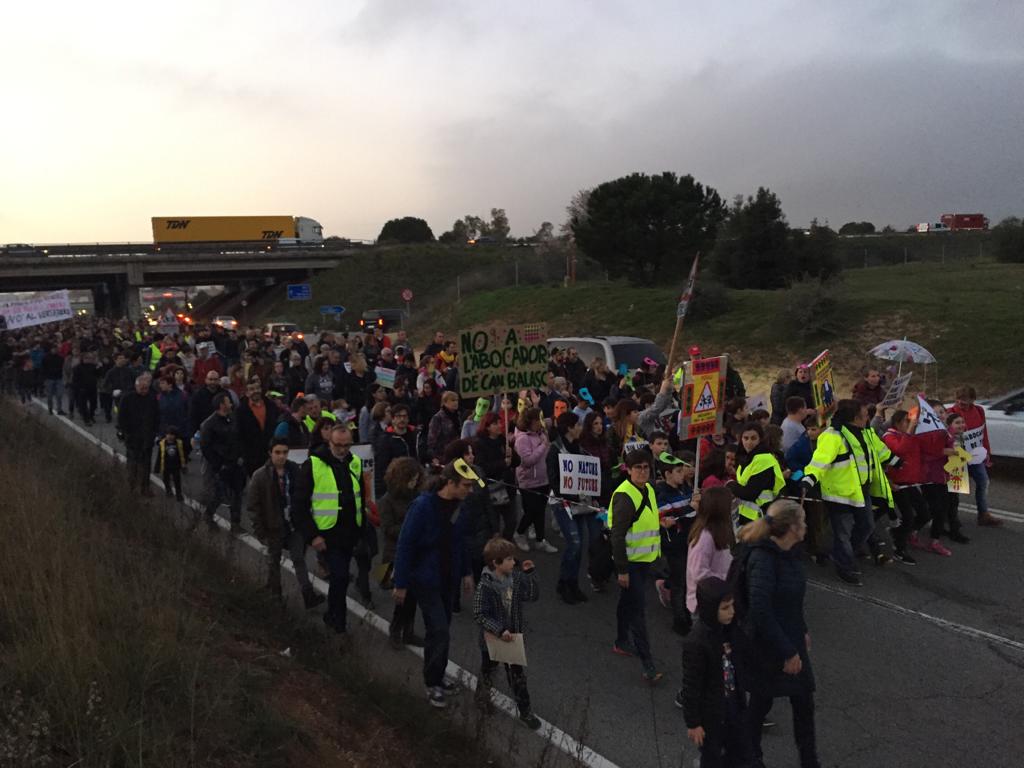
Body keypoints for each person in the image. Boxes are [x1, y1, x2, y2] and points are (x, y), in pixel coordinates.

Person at [736, 500, 821, 768]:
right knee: (760, 703)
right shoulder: (762, 559)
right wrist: (786, 650)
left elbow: (792, 600)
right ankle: (751, 758)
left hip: (790, 636)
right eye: (803, 521)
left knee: (804, 704)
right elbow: (760, 609)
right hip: (768, 645)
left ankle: (809, 761)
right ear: (791, 528)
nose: (806, 526)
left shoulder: (792, 552)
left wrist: (803, 629)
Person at [392, 459, 480, 708]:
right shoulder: (422, 507)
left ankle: (438, 676)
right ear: (450, 483)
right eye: (466, 485)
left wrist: (466, 572)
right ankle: (432, 682)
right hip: (426, 578)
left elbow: (460, 541)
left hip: (448, 576)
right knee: (439, 629)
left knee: (442, 630)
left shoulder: (460, 507)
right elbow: (406, 544)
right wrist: (401, 582)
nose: (469, 490)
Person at [802, 399, 899, 586]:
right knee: (843, 533)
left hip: (860, 490)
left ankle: (842, 553)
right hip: (839, 495)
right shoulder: (833, 436)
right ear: (854, 418)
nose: (867, 417)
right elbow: (821, 459)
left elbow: (877, 449)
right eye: (864, 415)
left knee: (867, 526)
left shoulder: (865, 432)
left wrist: (894, 460)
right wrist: (810, 478)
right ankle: (844, 565)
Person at [292, 424, 372, 636]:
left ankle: (333, 616)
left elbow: (360, 497)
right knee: (340, 576)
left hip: (350, 531)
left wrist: (363, 528)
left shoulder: (353, 462)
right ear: (330, 443)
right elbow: (298, 506)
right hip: (328, 532)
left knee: (342, 577)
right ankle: (338, 623)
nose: (343, 450)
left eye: (347, 445)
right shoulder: (314, 465)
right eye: (339, 445)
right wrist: (313, 536)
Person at [473, 537, 542, 730]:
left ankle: (525, 710)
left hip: (511, 637)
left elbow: (532, 596)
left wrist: (531, 575)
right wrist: (498, 629)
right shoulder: (486, 586)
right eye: (509, 559)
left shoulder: (517, 579)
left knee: (517, 675)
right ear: (496, 563)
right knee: (489, 669)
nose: (514, 563)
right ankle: (481, 697)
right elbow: (479, 614)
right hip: (493, 639)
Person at [681, 577, 751, 768]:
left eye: (732, 606)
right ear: (711, 608)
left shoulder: (729, 631)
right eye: (725, 608)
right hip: (713, 714)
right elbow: (691, 686)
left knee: (739, 753)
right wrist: (694, 723)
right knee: (712, 758)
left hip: (733, 704)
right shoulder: (697, 642)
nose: (732, 611)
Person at [246, 438, 324, 609]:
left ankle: (308, 595)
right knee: (273, 562)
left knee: (298, 559)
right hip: (273, 527)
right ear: (270, 453)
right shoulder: (261, 475)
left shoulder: (295, 470)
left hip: (294, 526)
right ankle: (276, 596)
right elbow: (253, 506)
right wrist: (260, 530)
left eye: (285, 452)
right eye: (277, 452)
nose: (281, 456)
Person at [609, 450, 663, 683]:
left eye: (646, 467)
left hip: (644, 561)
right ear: (628, 470)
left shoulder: (648, 489)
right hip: (630, 563)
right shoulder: (625, 496)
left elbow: (648, 519)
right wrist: (622, 570)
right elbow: (617, 536)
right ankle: (648, 663)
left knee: (627, 602)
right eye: (638, 467)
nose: (643, 471)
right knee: (638, 610)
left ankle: (621, 641)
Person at [547, 412, 598, 605]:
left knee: (579, 546)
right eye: (577, 425)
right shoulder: (555, 450)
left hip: (580, 505)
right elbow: (554, 482)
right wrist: (572, 494)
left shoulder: (580, 449)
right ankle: (564, 582)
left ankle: (573, 583)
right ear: (569, 427)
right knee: (574, 543)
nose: (580, 428)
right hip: (563, 504)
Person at [378, 457, 426, 648]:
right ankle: (395, 632)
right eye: (411, 479)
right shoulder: (386, 501)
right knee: (401, 598)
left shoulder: (417, 497)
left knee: (412, 598)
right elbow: (387, 529)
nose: (414, 483)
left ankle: (409, 631)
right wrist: (412, 528)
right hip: (394, 555)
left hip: (415, 553)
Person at [654, 451, 697, 635]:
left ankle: (668, 589)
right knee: (681, 583)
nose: (683, 473)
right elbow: (667, 517)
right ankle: (680, 620)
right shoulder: (661, 493)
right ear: (667, 474)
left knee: (686, 578)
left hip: (689, 540)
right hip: (674, 543)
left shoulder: (686, 488)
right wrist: (690, 507)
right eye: (678, 471)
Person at [882, 410, 930, 565]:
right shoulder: (889, 437)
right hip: (897, 483)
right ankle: (899, 549)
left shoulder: (912, 436)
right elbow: (899, 450)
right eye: (905, 422)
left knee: (924, 513)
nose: (909, 425)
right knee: (908, 515)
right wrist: (909, 432)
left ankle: (899, 532)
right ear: (897, 423)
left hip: (911, 482)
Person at [949, 386, 1001, 527]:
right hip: (957, 455)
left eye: (965, 400)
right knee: (956, 488)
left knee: (983, 481)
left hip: (975, 454)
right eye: (959, 400)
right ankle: (952, 517)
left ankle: (983, 514)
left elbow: (982, 433)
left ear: (972, 399)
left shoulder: (979, 411)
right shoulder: (951, 412)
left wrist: (987, 453)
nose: (961, 403)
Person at [199, 391, 245, 533]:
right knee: (220, 494)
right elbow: (206, 447)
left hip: (235, 463)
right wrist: (218, 463)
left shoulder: (232, 418)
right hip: (222, 465)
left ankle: (235, 523)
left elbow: (237, 438)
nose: (231, 403)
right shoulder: (210, 424)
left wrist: (240, 455)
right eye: (228, 401)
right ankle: (208, 514)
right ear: (221, 405)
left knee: (237, 493)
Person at [512, 407, 556, 554]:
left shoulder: (542, 434)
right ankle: (519, 533)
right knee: (531, 511)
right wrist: (543, 446)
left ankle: (540, 539)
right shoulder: (522, 438)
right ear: (530, 421)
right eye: (538, 420)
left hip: (544, 479)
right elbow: (527, 461)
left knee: (540, 511)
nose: (541, 423)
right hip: (529, 481)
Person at [474, 411, 521, 541]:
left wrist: (512, 455)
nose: (499, 425)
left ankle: (505, 545)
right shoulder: (479, 444)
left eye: (500, 422)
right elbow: (481, 468)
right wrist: (502, 463)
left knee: (512, 521)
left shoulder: (503, 441)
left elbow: (517, 463)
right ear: (487, 426)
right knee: (493, 526)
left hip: (507, 487)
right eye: (495, 423)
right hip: (491, 489)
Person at [728, 422, 786, 526]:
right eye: (745, 438)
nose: (749, 442)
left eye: (753, 438)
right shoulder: (745, 458)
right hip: (746, 515)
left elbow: (750, 493)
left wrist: (731, 485)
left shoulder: (764, 459)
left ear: (760, 439)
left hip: (761, 516)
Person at [118, 374, 160, 496]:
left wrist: (154, 432)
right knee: (133, 463)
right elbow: (122, 417)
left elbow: (156, 416)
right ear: (136, 386)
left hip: (147, 436)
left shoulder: (152, 399)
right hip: (132, 436)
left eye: (146, 388)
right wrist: (126, 432)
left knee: (146, 464)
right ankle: (131, 486)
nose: (144, 390)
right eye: (141, 388)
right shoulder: (127, 398)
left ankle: (145, 487)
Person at [236, 378, 281, 477]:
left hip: (271, 453)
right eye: (251, 389)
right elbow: (238, 434)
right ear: (247, 393)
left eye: (257, 388)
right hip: (252, 456)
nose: (255, 391)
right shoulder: (241, 411)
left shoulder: (271, 406)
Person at [374, 402, 417, 497]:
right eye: (398, 416)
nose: (402, 419)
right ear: (392, 419)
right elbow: (381, 466)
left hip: (415, 481)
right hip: (396, 485)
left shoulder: (415, 436)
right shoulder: (386, 440)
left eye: (404, 416)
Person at [426, 391, 461, 465]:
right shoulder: (438, 418)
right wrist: (433, 457)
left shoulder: (458, 416)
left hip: (457, 452)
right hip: (442, 455)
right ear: (445, 402)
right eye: (453, 400)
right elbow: (431, 440)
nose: (456, 402)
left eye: (457, 400)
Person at [155, 425, 185, 501]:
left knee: (177, 480)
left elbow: (181, 455)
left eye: (172, 435)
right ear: (165, 435)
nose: (170, 436)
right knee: (165, 479)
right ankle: (168, 490)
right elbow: (159, 456)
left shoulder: (178, 444)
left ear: (175, 436)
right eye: (168, 434)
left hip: (175, 466)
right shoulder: (162, 444)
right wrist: (157, 467)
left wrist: (183, 466)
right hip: (166, 466)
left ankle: (179, 494)